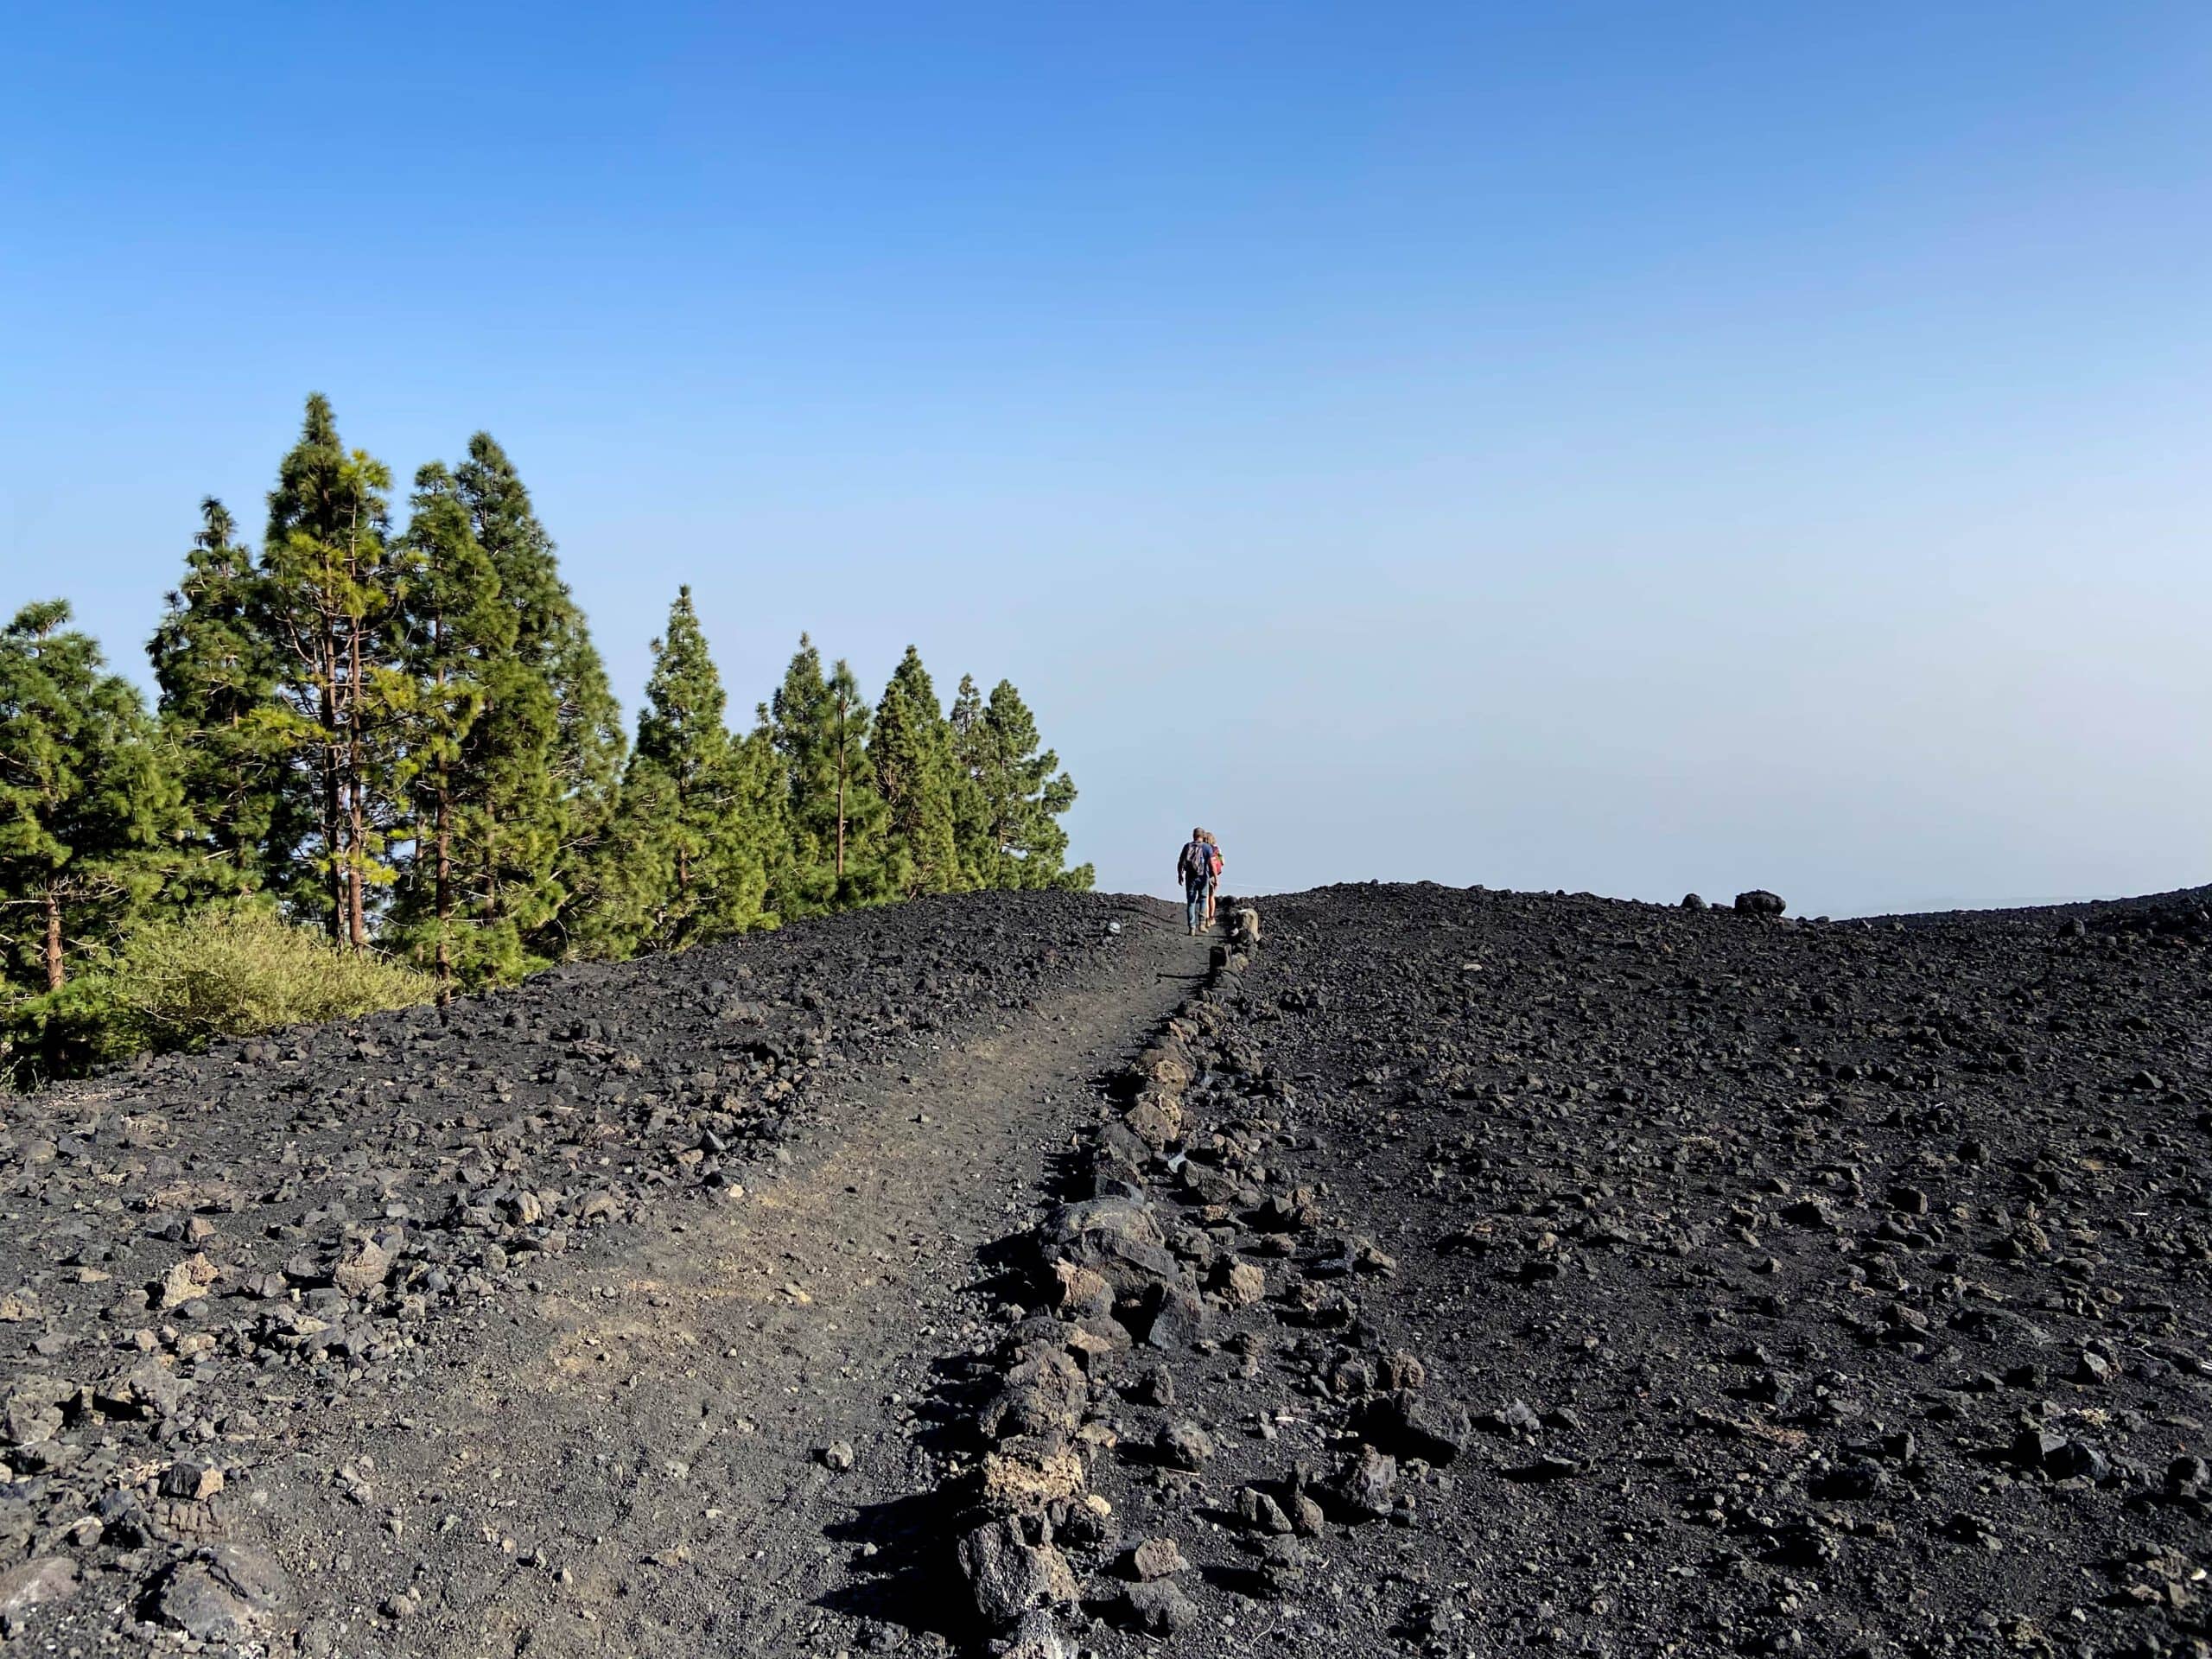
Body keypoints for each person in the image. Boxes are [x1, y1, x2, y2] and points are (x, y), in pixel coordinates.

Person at [1177, 828, 1212, 934]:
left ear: (1193, 835)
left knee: (1191, 902)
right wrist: (1214, 877)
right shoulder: (1207, 847)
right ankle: (1202, 924)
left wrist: (1180, 875)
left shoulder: (1187, 846)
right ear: (1203, 836)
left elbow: (1180, 862)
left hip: (1190, 878)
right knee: (1202, 899)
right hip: (1203, 878)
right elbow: (1212, 864)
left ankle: (1192, 928)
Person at [1201, 830, 1224, 927]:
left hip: (1204, 875)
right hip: (1214, 876)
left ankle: (1206, 919)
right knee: (1212, 897)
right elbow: (1223, 862)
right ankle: (1211, 918)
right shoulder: (1217, 850)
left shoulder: (1203, 849)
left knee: (1205, 898)